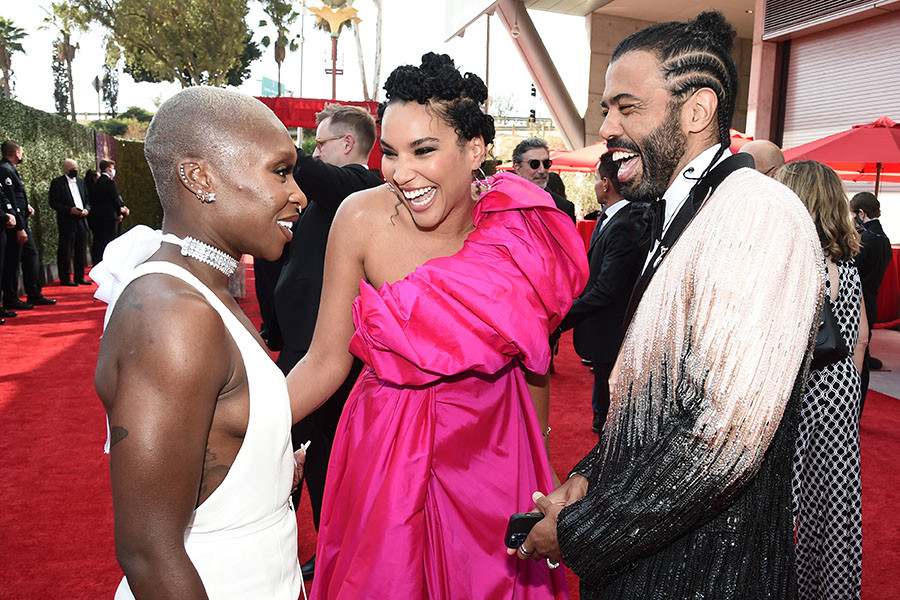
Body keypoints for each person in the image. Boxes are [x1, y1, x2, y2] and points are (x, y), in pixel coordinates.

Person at [513, 12, 823, 598]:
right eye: (607, 108)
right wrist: (588, 479)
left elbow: (721, 442)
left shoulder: (757, 214)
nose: (607, 126)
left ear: (697, 111)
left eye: (627, 108)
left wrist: (580, 531)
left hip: (709, 574)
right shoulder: (686, 211)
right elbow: (659, 409)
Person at [286, 53, 587, 599]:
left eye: (423, 150)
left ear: (475, 149)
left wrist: (541, 462)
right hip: (389, 441)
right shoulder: (359, 217)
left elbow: (533, 357)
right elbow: (326, 360)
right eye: (390, 152)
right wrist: (247, 426)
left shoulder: (519, 225)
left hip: (494, 441)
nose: (401, 173)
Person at [91, 87, 307, 599]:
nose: (298, 194)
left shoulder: (204, 290)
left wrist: (267, 471)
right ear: (199, 178)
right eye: (281, 172)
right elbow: (148, 551)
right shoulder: (174, 314)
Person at [272, 102, 381, 580]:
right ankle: (284, 539)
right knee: (290, 451)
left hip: (326, 353)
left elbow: (316, 174)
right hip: (300, 345)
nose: (314, 153)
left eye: (321, 143)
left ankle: (331, 548)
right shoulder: (329, 194)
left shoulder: (360, 185)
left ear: (348, 143)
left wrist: (276, 143)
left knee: (321, 458)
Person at [778, 160, 866, 600]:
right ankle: (831, 591)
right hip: (843, 385)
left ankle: (775, 585)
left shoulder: (794, 259)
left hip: (803, 389)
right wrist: (846, 388)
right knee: (834, 501)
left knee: (784, 499)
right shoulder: (846, 261)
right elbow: (861, 336)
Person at [554, 153, 649, 434]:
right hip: (602, 333)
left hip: (612, 333)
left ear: (606, 183)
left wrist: (561, 320)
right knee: (602, 401)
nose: (595, 185)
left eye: (596, 179)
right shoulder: (613, 218)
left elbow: (607, 289)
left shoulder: (625, 225)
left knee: (609, 415)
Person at [1, 140, 56, 312]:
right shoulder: (5, 169)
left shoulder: (10, 168)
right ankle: (11, 298)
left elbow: (16, 196)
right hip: (15, 225)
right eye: (21, 152)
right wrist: (19, 227)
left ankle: (34, 293)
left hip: (21, 220)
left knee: (31, 256)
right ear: (17, 153)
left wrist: (26, 206)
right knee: (12, 262)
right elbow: (9, 198)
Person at [850, 190, 891, 408]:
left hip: (858, 305)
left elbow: (852, 273)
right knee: (863, 355)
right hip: (871, 300)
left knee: (858, 358)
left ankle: (854, 407)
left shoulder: (866, 240)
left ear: (861, 213)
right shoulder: (884, 240)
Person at [512, 137, 576, 222]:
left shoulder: (563, 207)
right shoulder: (505, 203)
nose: (542, 170)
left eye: (546, 163)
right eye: (534, 164)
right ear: (518, 168)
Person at [48, 158, 91, 286]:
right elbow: (53, 202)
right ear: (65, 169)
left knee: (81, 248)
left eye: (76, 168)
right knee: (66, 250)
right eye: (72, 169)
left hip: (82, 219)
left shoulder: (81, 182)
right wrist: (69, 210)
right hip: (67, 220)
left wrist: (86, 210)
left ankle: (79, 276)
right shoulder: (57, 183)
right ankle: (65, 278)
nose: (75, 171)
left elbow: (87, 200)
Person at [89, 159, 129, 264]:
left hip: (97, 218)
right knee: (110, 243)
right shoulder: (110, 183)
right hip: (109, 218)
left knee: (98, 243)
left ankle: (97, 264)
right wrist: (120, 212)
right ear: (108, 169)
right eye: (112, 168)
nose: (113, 171)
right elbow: (115, 199)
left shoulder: (96, 183)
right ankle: (110, 264)